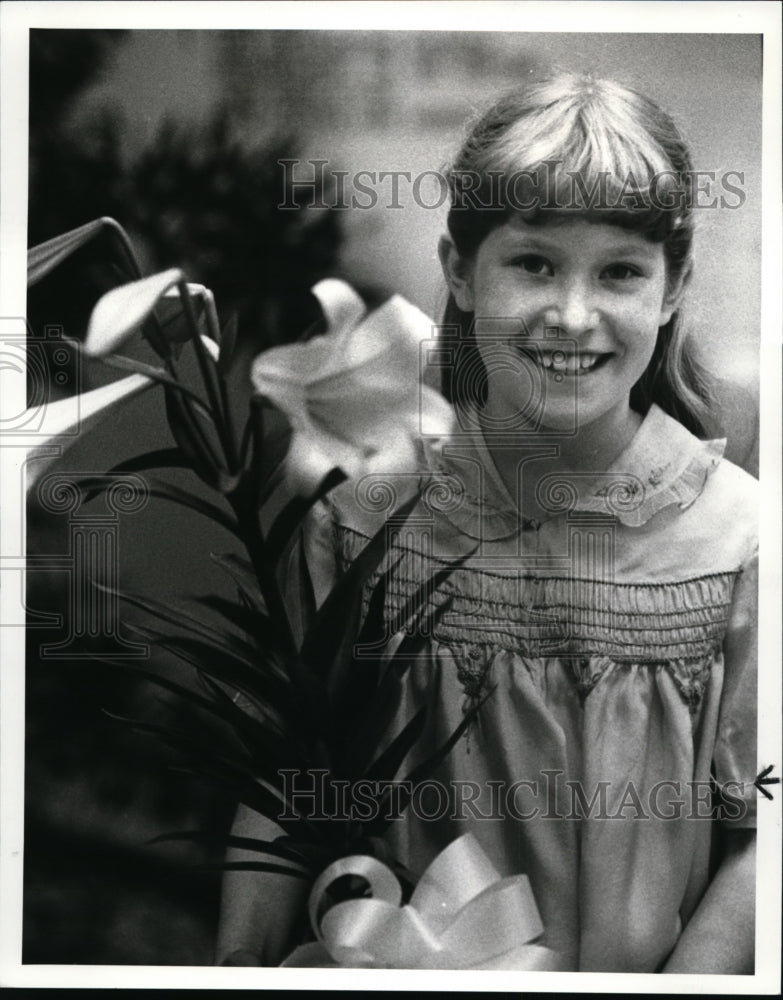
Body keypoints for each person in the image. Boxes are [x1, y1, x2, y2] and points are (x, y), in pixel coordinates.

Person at [216, 72, 758, 973]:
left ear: (671, 291)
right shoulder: (361, 521)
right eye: (534, 263)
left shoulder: (742, 545)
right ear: (461, 271)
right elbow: (285, 786)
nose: (573, 315)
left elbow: (761, 831)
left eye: (620, 271)